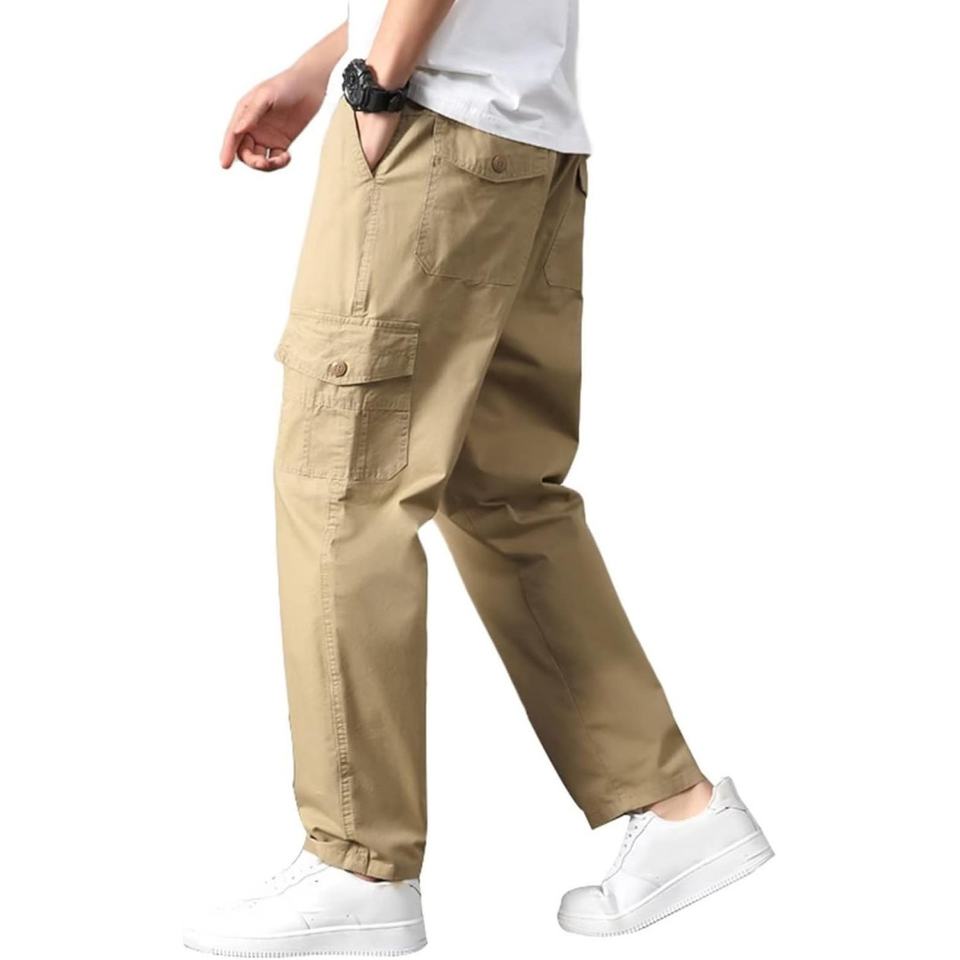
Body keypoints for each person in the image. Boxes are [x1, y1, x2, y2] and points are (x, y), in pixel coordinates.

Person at [185, 0, 773, 954]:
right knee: (502, 492)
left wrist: (379, 84)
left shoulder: (402, 97)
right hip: (526, 144)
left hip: (433, 134)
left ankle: (360, 866)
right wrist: (320, 66)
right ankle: (676, 808)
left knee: (342, 488)